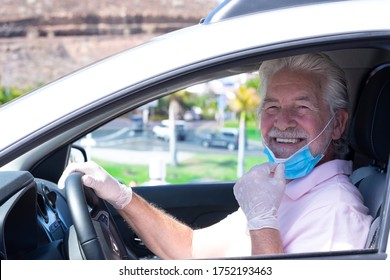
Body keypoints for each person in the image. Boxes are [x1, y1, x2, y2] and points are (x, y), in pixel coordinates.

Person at [58, 53, 373, 259]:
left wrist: (263, 223)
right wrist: (120, 195)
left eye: (302, 107)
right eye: (272, 107)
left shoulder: (336, 212)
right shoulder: (285, 188)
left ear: (338, 124)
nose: (282, 121)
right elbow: (192, 250)